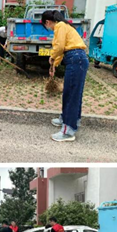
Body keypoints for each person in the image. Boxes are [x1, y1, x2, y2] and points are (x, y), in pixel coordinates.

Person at [41, 10, 88, 143]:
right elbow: (63, 48)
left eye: (47, 26)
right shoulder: (65, 26)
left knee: (71, 94)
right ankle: (69, 119)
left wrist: (52, 57)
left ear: (47, 22)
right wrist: (54, 64)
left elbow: (59, 46)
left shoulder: (60, 26)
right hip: (77, 59)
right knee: (73, 93)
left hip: (75, 59)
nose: (49, 29)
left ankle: (68, 131)